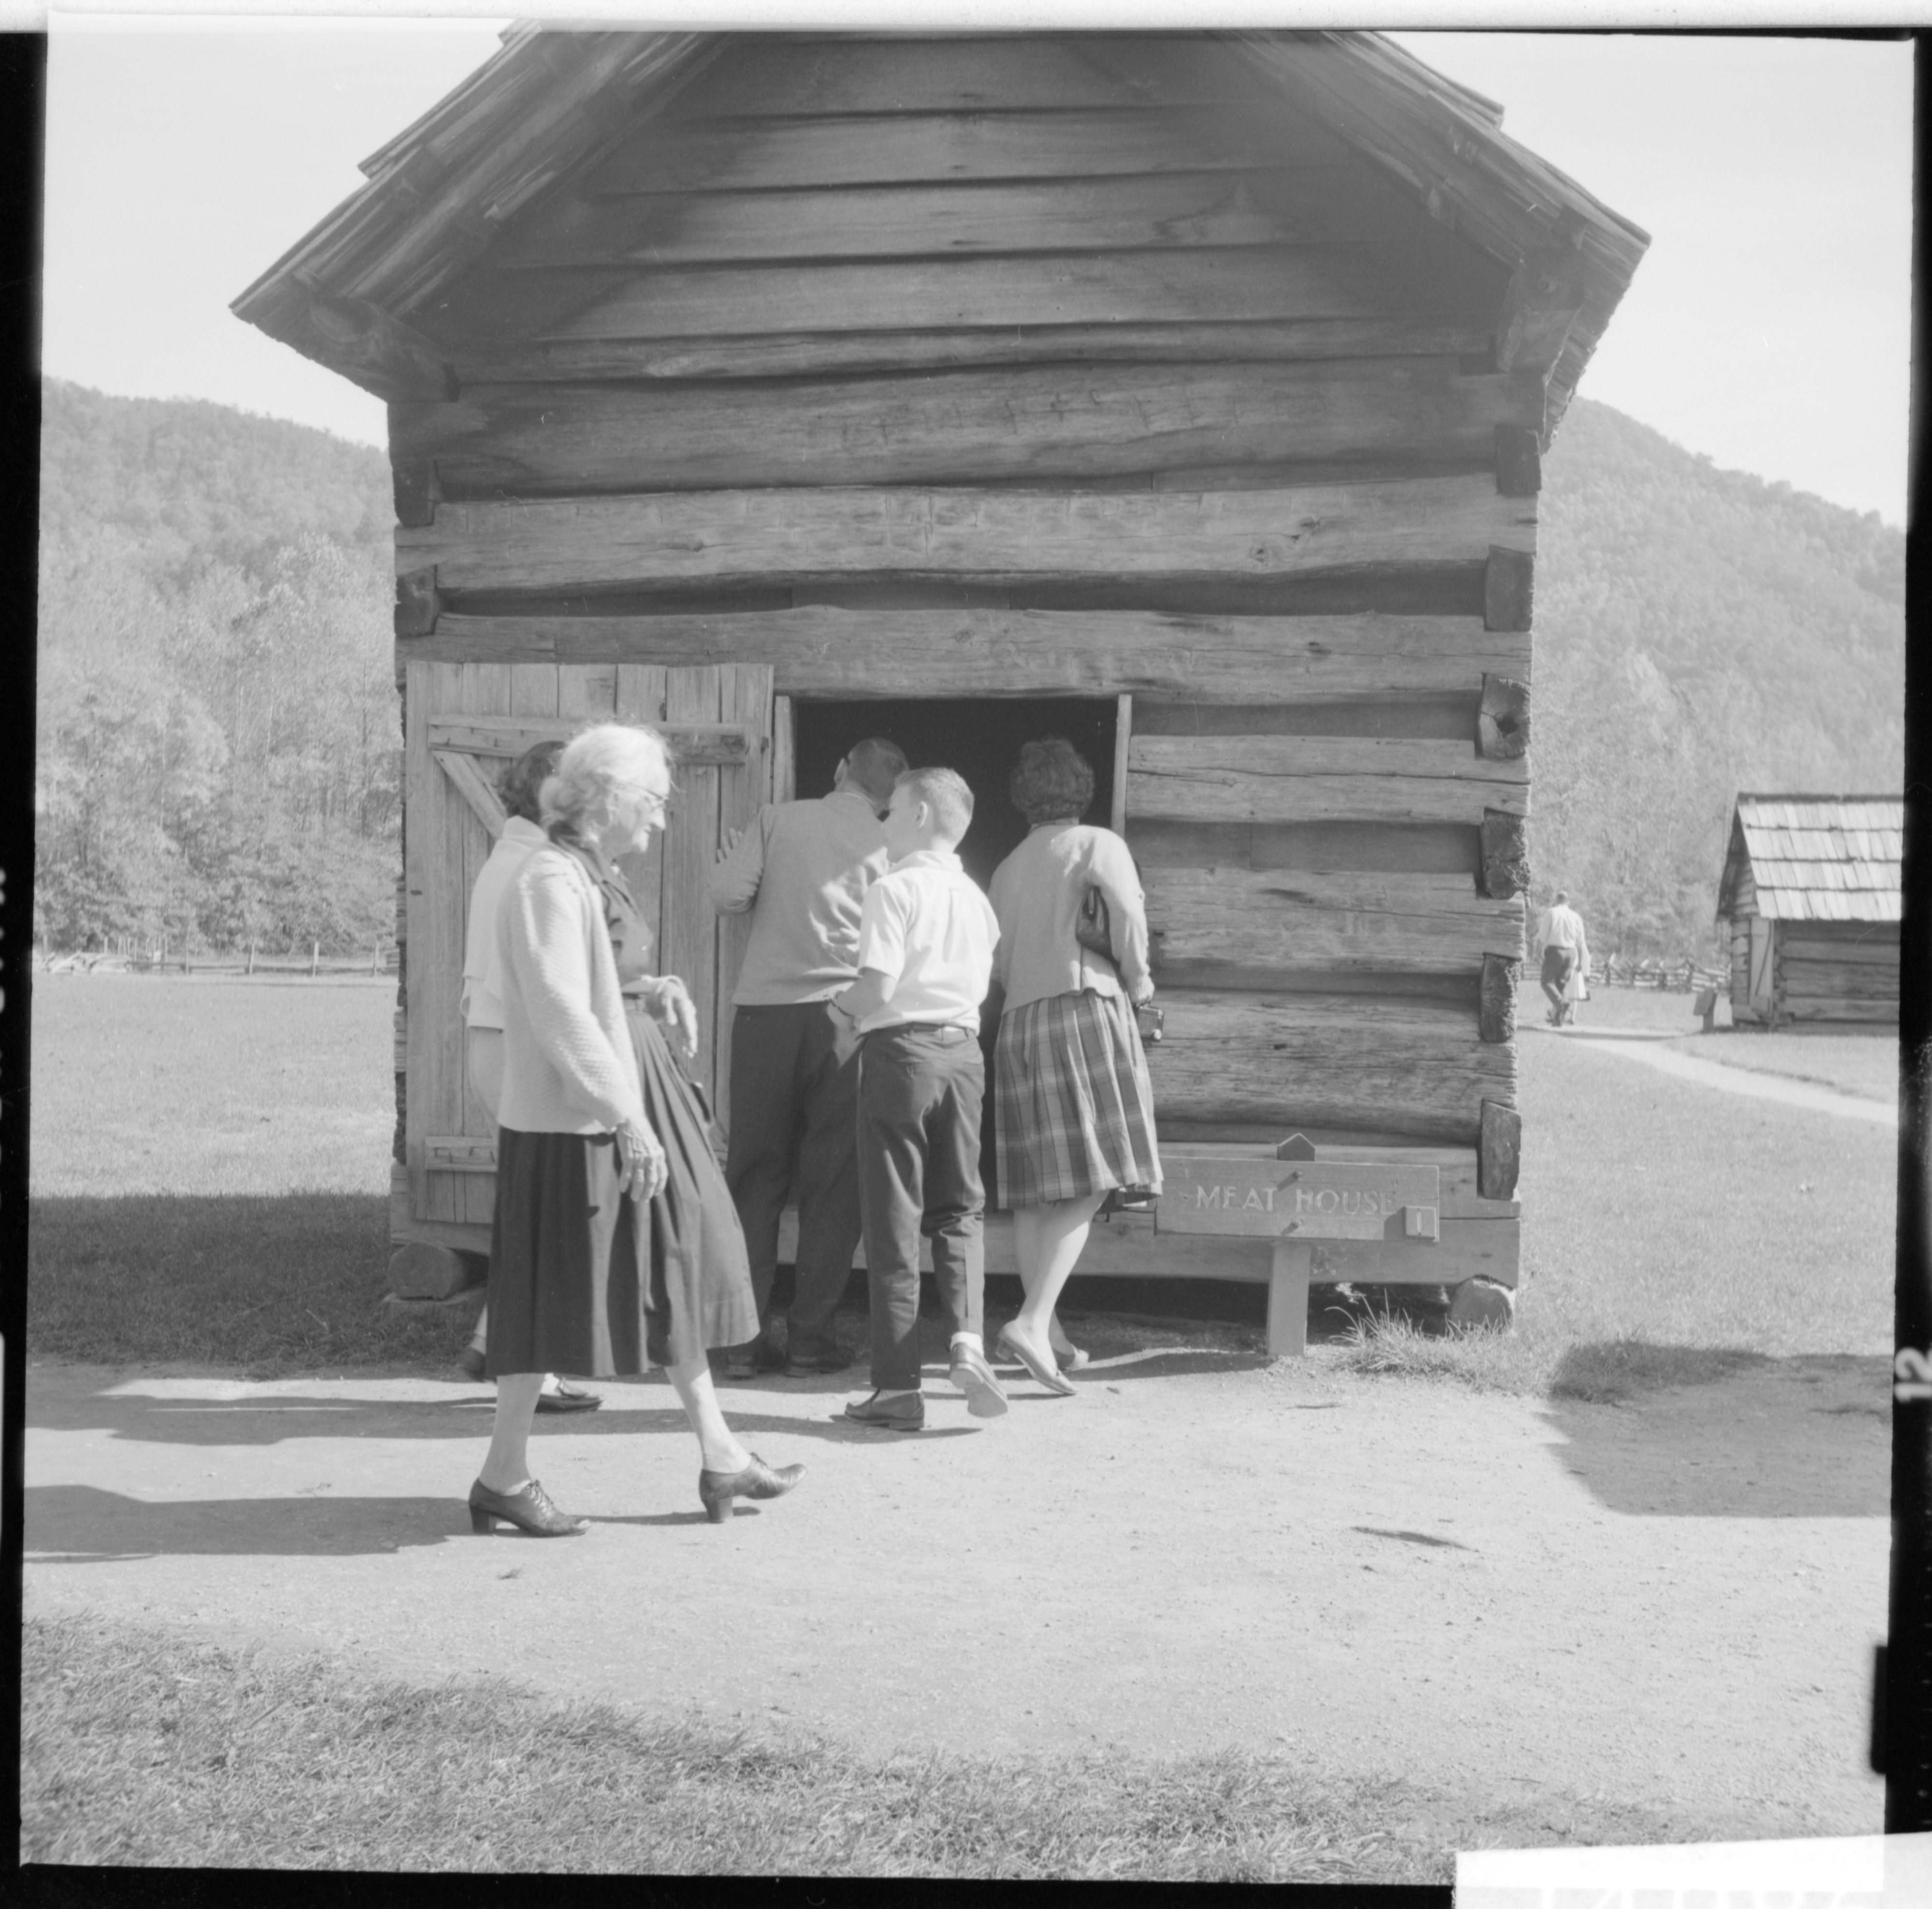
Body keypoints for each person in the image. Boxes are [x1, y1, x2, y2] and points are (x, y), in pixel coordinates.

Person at [468, 723, 803, 1535]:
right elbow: (559, 1010)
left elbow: (598, 980)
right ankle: (504, 1474)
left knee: (671, 1259)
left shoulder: (588, 871)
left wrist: (654, 989)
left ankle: (719, 1452)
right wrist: (628, 1120)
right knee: (557, 1290)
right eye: (652, 800)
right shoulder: (549, 877)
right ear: (610, 797)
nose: (660, 817)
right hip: (579, 1117)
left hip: (620, 1097)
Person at [706, 736, 908, 1380]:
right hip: (848, 1024)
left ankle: (740, 1342)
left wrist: (734, 865)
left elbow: (727, 896)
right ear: (891, 799)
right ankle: (810, 1342)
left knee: (754, 1175)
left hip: (765, 1019)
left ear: (841, 766)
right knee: (833, 1183)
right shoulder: (892, 843)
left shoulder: (777, 819)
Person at [832, 767, 1007, 1432]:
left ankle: (898, 1388)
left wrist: (837, 1011)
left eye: (892, 810)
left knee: (895, 1217)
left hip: (901, 1055)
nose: (882, 824)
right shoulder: (976, 899)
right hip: (964, 1055)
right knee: (961, 1208)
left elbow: (877, 987)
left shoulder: (893, 888)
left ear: (922, 815)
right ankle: (967, 1341)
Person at [985, 737, 1162, 1394]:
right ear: (1081, 788)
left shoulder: (1005, 868)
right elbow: (1128, 912)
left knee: (1037, 1188)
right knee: (1100, 1170)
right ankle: (1032, 1322)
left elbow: (997, 961)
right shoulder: (1097, 843)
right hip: (1083, 1006)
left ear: (1023, 795)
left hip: (1017, 1024)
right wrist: (1139, 981)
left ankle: (1050, 1333)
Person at [458, 739, 597, 1413]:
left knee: (532, 1210)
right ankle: (524, 1364)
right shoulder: (532, 867)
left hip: (498, 1043)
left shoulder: (511, 856)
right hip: (517, 1048)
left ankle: (494, 1340)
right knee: (548, 1215)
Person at [1539, 890, 1591, 1027]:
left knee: (1546, 981)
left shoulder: (1552, 912)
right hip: (1572, 952)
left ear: (1556, 900)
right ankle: (1558, 1020)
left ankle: (1562, 1003)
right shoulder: (1576, 916)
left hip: (1556, 950)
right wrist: (1580, 961)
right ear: (1568, 902)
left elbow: (1543, 935)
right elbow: (1580, 942)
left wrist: (1539, 952)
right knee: (1561, 984)